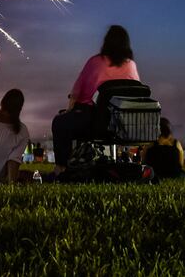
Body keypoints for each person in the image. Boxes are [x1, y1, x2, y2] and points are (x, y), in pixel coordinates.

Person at [51, 25, 141, 170]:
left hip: (92, 120)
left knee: (59, 122)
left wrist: (69, 111)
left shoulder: (95, 62)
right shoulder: (131, 66)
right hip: (120, 124)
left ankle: (62, 167)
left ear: (106, 42)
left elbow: (76, 93)